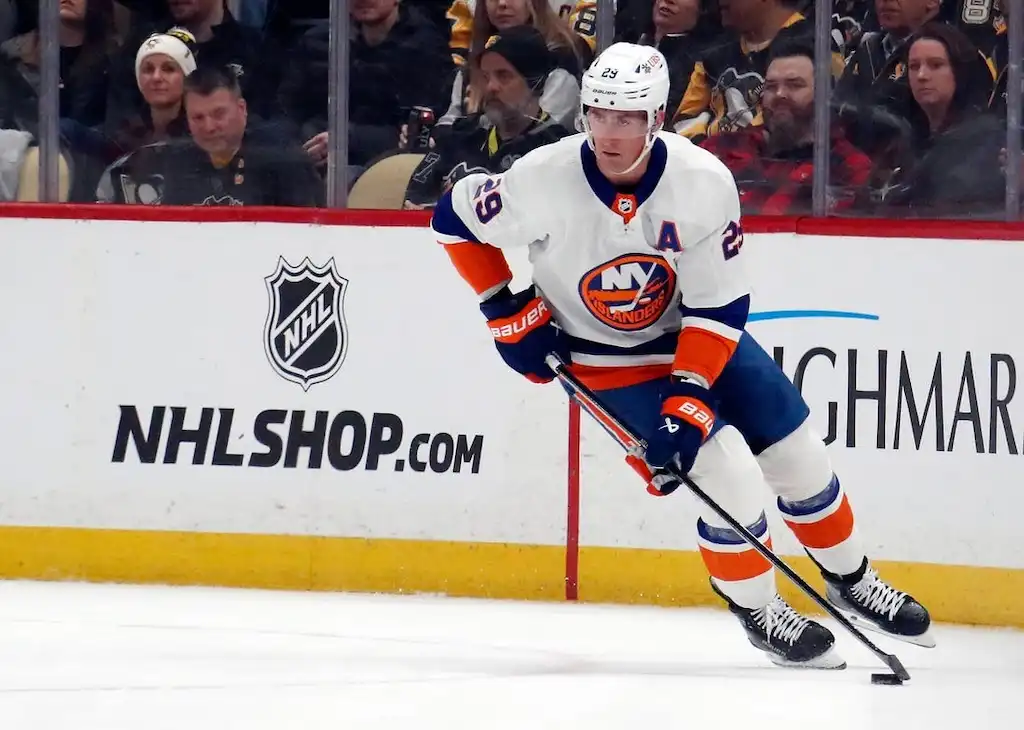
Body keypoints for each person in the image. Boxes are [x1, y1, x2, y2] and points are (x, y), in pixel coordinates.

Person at [430, 41, 934, 669]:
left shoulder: (701, 181)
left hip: (698, 335)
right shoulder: (540, 177)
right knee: (728, 473)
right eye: (597, 114)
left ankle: (851, 579)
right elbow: (453, 216)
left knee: (800, 459)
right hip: (604, 358)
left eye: (627, 118)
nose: (607, 133)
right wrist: (504, 310)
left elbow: (719, 308)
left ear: (659, 118)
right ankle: (757, 609)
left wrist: (688, 396)